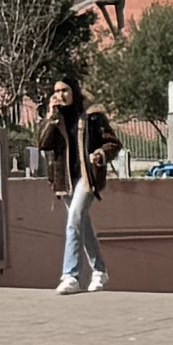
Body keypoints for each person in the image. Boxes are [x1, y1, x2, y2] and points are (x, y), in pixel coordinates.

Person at [39, 74, 116, 294]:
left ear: (74, 92)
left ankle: (70, 275)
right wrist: (51, 119)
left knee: (74, 221)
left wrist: (100, 154)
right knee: (83, 225)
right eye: (56, 92)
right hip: (64, 180)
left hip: (87, 177)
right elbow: (43, 144)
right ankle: (100, 272)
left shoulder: (92, 117)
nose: (60, 96)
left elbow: (112, 142)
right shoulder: (56, 118)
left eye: (64, 91)